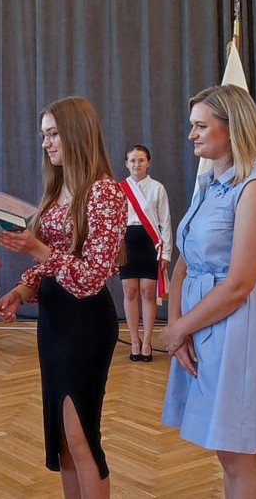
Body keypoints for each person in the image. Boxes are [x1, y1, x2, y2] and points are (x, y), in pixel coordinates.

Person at [159, 85, 256, 498]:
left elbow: (238, 285)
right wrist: (177, 326)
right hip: (203, 325)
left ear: (232, 128)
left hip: (237, 329)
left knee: (238, 454)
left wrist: (180, 328)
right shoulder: (209, 185)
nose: (191, 135)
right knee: (227, 452)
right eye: (192, 126)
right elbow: (183, 262)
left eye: (201, 126)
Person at [0, 96, 126, 498]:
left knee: (81, 433)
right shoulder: (58, 190)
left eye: (53, 134)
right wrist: (22, 289)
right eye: (43, 135)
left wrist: (37, 250)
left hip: (85, 323)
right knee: (63, 440)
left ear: (76, 134)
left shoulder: (105, 192)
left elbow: (90, 277)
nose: (46, 143)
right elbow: (53, 262)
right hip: (54, 322)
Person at [118, 144, 172, 362]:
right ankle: (134, 341)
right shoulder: (120, 189)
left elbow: (165, 222)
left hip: (150, 245)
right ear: (126, 164)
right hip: (127, 246)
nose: (137, 164)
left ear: (148, 162)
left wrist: (166, 253)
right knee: (130, 292)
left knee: (148, 293)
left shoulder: (157, 188)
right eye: (132, 160)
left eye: (141, 160)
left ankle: (147, 341)